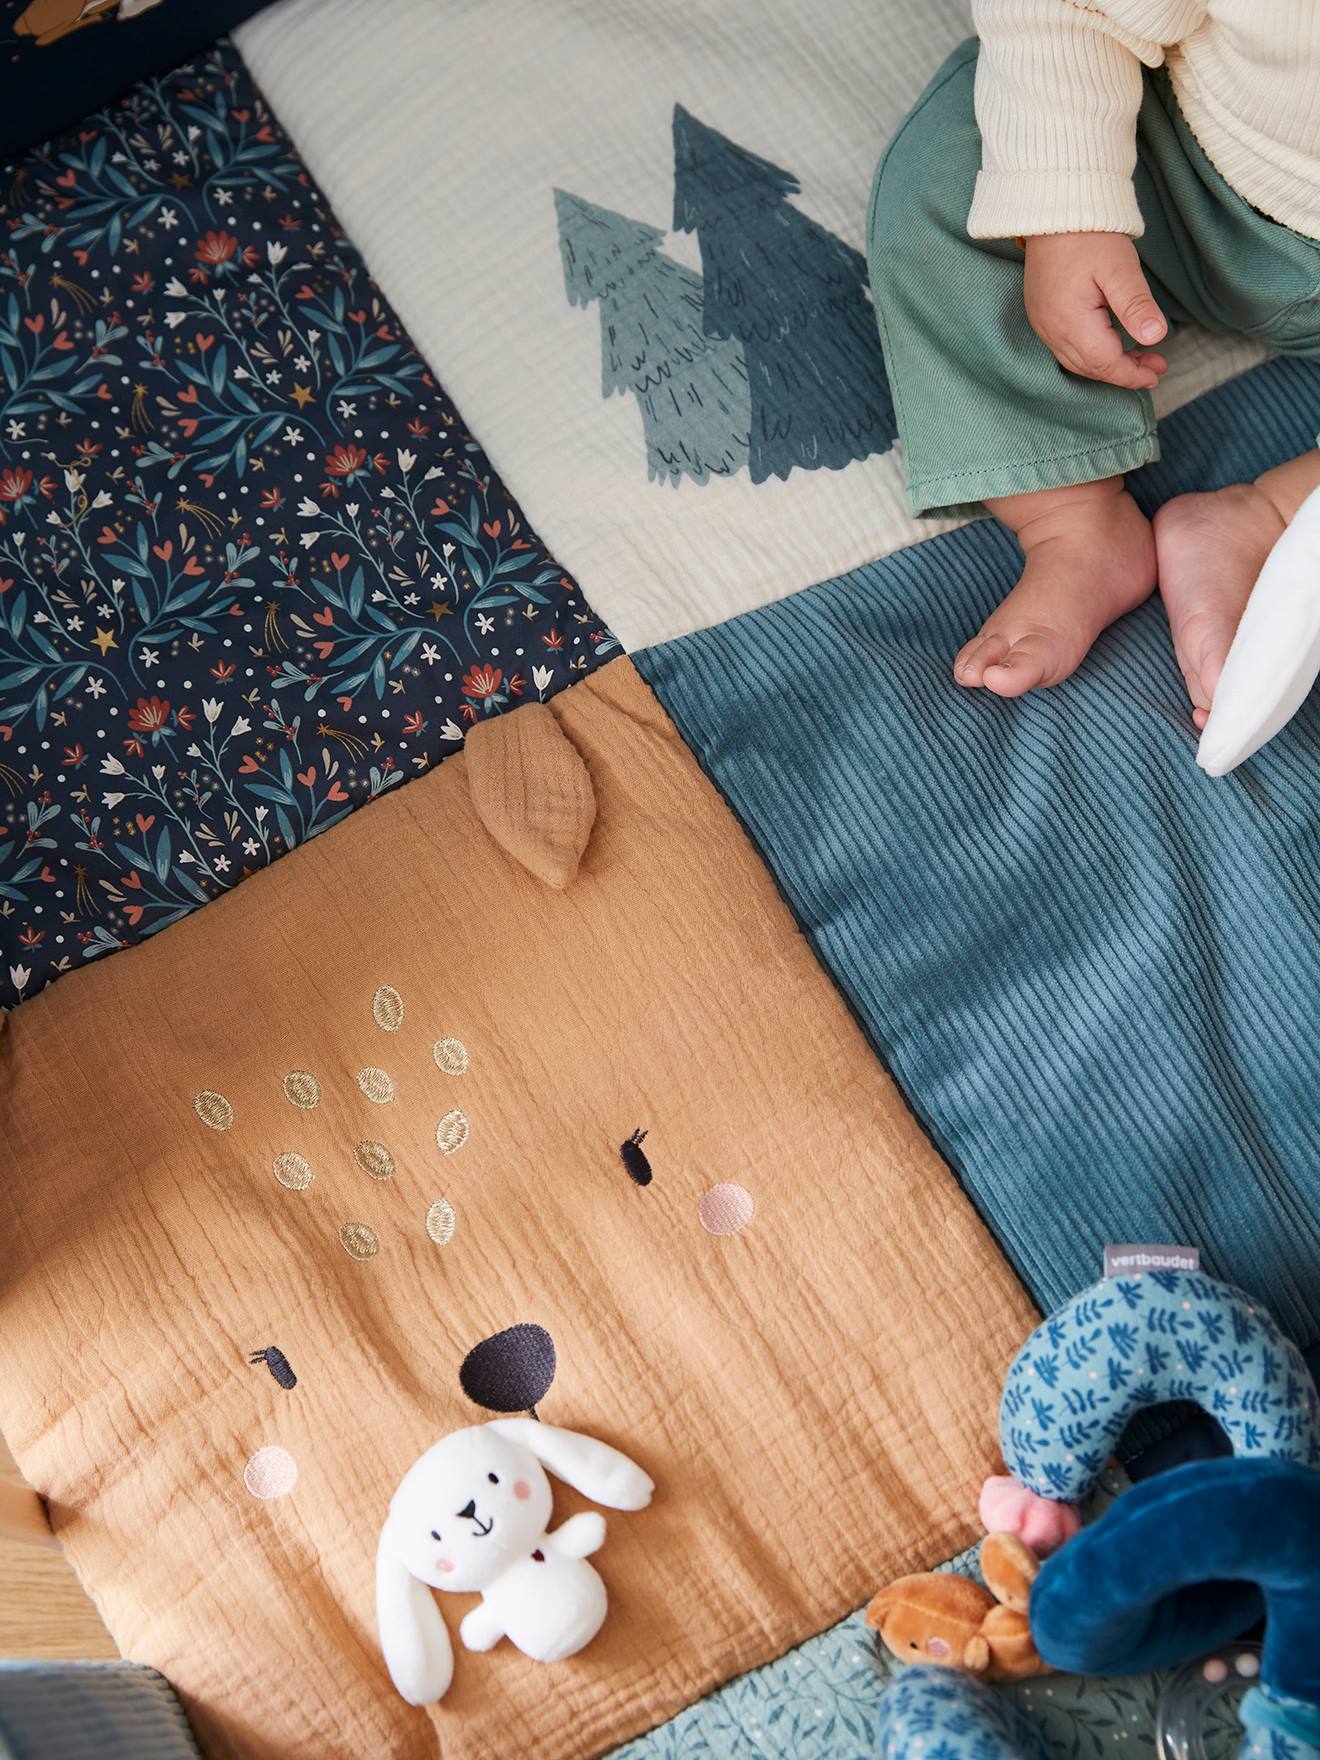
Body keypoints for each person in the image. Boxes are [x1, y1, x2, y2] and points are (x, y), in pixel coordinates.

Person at [867, 4, 1320, 724]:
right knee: (954, 167)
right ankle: (1071, 518)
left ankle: (1275, 515)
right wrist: (1066, 209)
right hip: (1190, 172)